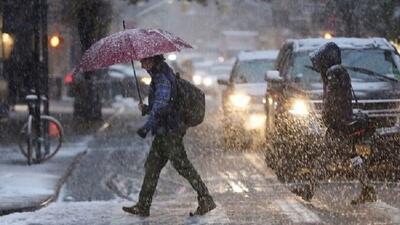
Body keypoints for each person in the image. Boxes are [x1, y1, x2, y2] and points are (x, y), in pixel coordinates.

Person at [122, 55, 216, 217]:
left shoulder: (162, 78)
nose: (142, 64)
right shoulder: (160, 75)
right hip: (164, 131)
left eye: (144, 61)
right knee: (152, 167)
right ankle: (143, 205)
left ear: (153, 60)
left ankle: (206, 198)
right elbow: (162, 105)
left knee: (183, 166)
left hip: (170, 131)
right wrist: (146, 109)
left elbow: (161, 106)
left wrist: (146, 126)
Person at [303, 42, 377, 204]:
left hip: (339, 125)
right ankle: (367, 188)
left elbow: (333, 100)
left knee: (324, 158)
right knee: (351, 156)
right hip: (343, 122)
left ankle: (310, 190)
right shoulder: (338, 72)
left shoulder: (334, 73)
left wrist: (329, 119)